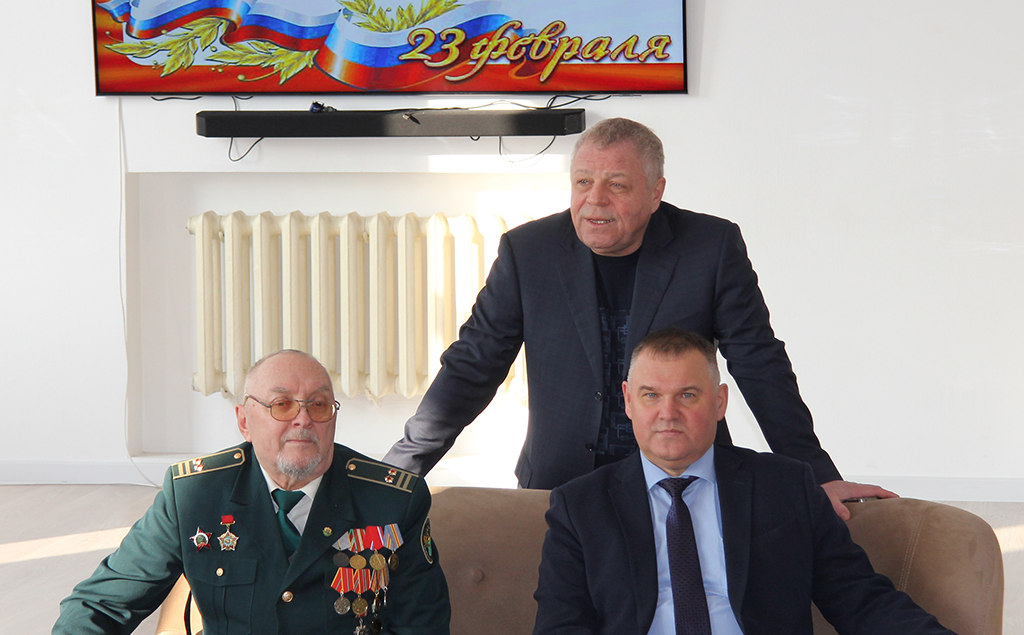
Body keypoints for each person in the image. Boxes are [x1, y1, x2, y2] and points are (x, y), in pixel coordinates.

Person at [385, 117, 890, 516]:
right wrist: (396, 475)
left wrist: (816, 474)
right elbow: (473, 366)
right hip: (562, 484)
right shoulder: (529, 252)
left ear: (655, 192)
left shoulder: (710, 248)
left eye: (617, 185)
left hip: (683, 479)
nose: (595, 200)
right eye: (583, 182)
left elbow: (760, 363)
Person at [532, 329, 957, 635]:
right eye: (651, 395)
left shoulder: (786, 486)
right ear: (628, 401)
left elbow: (860, 600)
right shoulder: (580, 506)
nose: (668, 413)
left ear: (719, 402)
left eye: (687, 395)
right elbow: (560, 625)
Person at [53, 350, 451, 635]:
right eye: (281, 404)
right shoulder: (194, 495)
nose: (303, 419)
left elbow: (422, 625)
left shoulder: (392, 501)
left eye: (318, 405)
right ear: (244, 421)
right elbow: (99, 605)